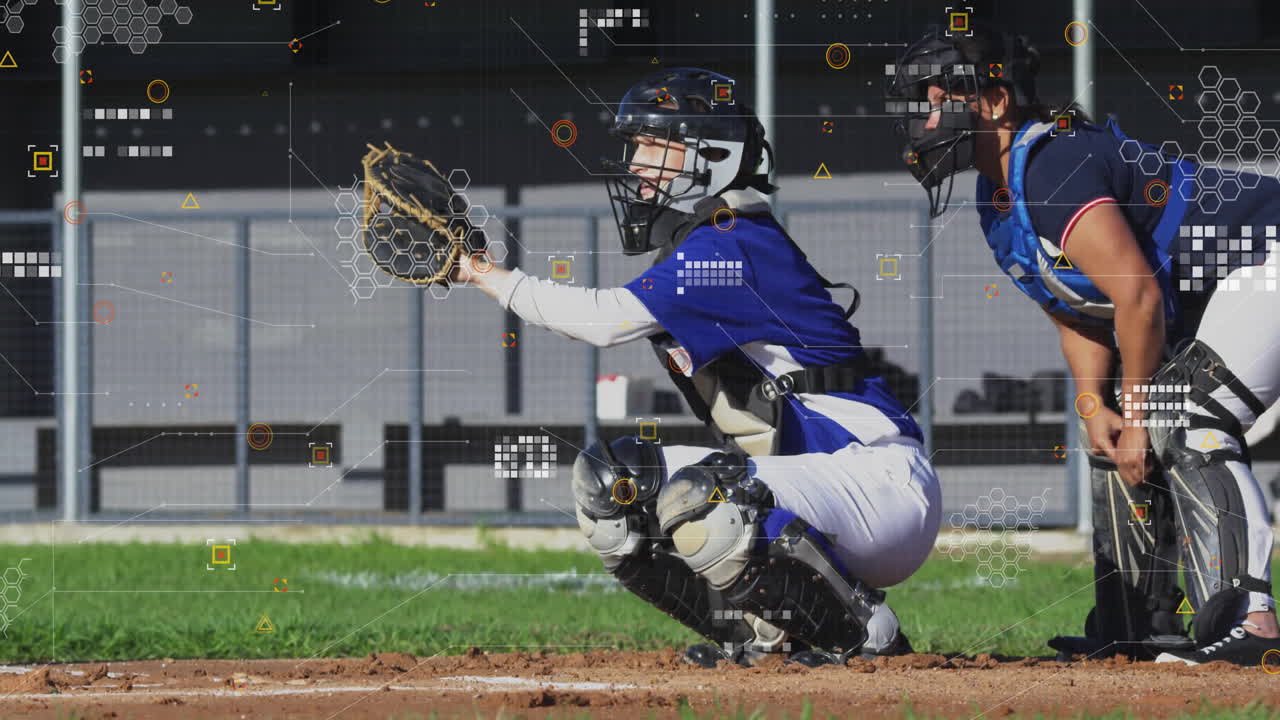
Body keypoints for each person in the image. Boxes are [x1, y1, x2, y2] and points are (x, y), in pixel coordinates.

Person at [452, 67, 941, 667]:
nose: (635, 163)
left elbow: (604, 321)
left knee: (700, 499)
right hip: (825, 486)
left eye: (655, 145)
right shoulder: (710, 240)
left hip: (878, 484)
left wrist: (478, 271)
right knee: (613, 483)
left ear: (713, 156)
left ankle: (869, 636)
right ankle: (757, 637)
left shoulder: (732, 244)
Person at [887, 25, 1279, 665]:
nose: (925, 119)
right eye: (919, 104)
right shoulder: (999, 194)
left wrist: (1141, 410)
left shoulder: (1052, 164)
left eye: (940, 99)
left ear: (994, 102)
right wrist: (1098, 407)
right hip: (1233, 286)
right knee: (1124, 431)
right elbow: (1078, 310)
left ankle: (1250, 624)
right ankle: (1137, 627)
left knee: (1183, 414)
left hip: (1266, 253)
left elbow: (1139, 297)